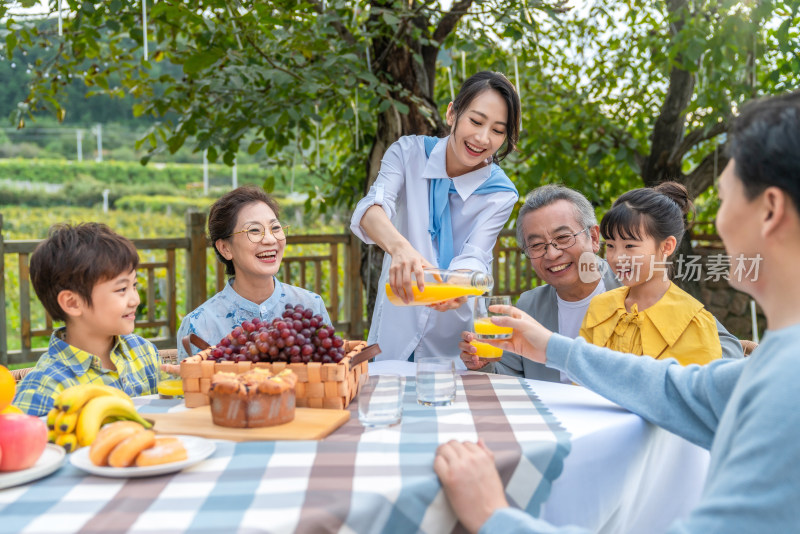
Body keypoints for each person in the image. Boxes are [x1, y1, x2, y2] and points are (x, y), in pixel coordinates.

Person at [435, 92, 800, 533]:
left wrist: (494, 518)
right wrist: (551, 347)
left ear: (771, 211)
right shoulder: (779, 364)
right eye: (536, 244)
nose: (718, 223)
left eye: (724, 200)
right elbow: (674, 388)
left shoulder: (780, 380)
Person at [459, 185, 741, 381]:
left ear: (594, 238)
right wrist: (483, 364)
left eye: (563, 238)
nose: (552, 253)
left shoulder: (638, 287)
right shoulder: (530, 305)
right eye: (537, 245)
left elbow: (726, 350)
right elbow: (510, 375)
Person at [350, 71, 520, 363]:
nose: (482, 138)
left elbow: (475, 255)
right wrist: (400, 248)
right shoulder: (408, 153)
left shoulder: (501, 193)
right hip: (396, 324)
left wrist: (460, 286)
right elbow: (371, 210)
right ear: (452, 113)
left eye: (498, 130)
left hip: (454, 337)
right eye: (476, 121)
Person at [13, 223, 160, 416]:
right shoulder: (44, 389)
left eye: (134, 285)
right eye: (122, 289)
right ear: (72, 303)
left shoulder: (144, 352)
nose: (135, 299)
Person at [178, 186, 331, 358]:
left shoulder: (310, 305)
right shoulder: (200, 324)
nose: (270, 239)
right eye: (254, 231)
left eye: (275, 228)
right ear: (225, 248)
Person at [579, 182, 721, 365]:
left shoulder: (694, 322)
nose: (616, 258)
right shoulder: (600, 308)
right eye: (611, 246)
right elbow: (581, 379)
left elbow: (700, 391)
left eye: (629, 246)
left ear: (666, 246)